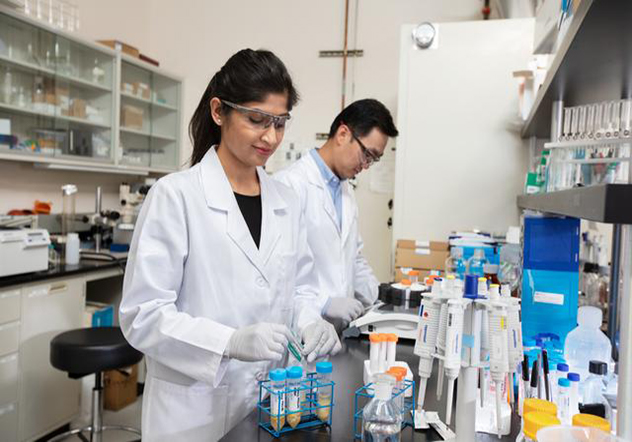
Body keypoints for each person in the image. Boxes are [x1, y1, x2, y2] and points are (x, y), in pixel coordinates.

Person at [119, 49, 341, 442]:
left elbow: (302, 285)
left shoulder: (286, 201)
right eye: (257, 120)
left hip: (269, 404)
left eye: (280, 123)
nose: (270, 137)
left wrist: (310, 319)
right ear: (219, 111)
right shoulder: (176, 196)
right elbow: (143, 315)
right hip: (192, 411)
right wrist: (229, 342)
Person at [274, 99, 399, 330]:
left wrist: (379, 296)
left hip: (337, 333)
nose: (366, 166)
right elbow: (277, 271)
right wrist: (324, 304)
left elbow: (354, 258)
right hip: (302, 331)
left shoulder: (345, 191)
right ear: (343, 134)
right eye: (367, 155)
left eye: (374, 159)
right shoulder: (290, 185)